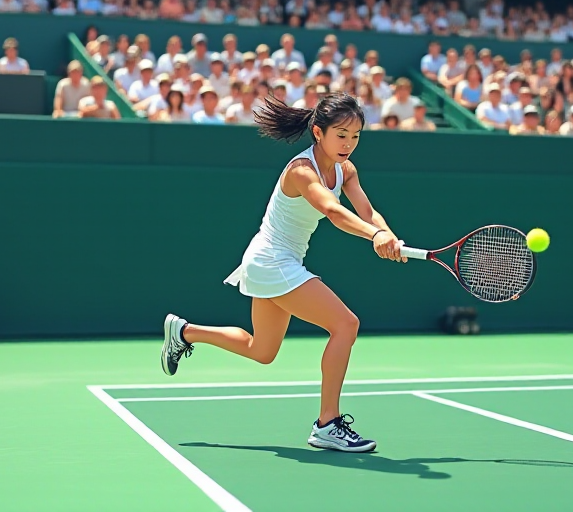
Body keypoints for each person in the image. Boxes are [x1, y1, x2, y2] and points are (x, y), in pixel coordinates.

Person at [161, 93, 404, 453]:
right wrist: (375, 236)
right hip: (272, 259)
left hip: (277, 260)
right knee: (345, 325)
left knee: (262, 350)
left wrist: (387, 234)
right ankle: (327, 423)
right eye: (341, 134)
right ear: (318, 133)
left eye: (355, 136)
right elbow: (334, 212)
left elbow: (368, 213)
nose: (348, 144)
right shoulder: (301, 171)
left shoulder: (346, 170)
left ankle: (184, 332)